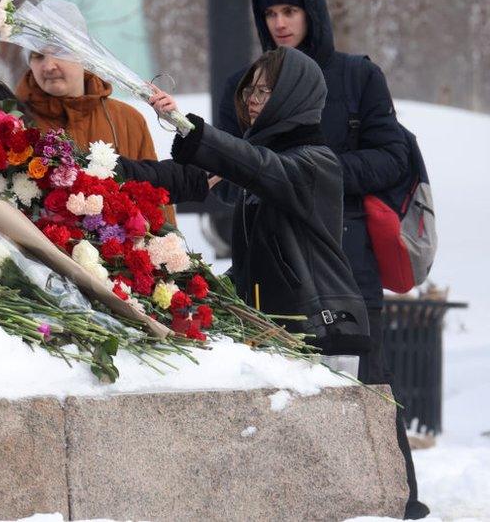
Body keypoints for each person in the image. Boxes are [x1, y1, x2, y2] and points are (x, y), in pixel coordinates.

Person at [215, 0, 425, 517]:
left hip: (345, 258)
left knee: (369, 383)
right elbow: (230, 175)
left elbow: (391, 157)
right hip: (267, 262)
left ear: (313, 11)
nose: (279, 23)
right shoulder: (244, 84)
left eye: (290, 10)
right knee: (278, 389)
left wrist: (316, 176)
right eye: (269, 14)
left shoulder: (357, 76)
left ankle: (399, 500)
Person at [121, 47, 371, 357]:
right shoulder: (263, 164)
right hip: (274, 330)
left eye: (265, 91)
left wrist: (184, 124)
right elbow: (185, 179)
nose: (252, 99)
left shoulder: (315, 163)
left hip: (322, 332)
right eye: (250, 89)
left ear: (294, 95)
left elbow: (255, 164)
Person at [12, 0, 177, 221]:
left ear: (83, 53)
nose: (48, 66)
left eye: (59, 52)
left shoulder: (127, 120)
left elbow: (156, 203)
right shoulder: (16, 122)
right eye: (37, 55)